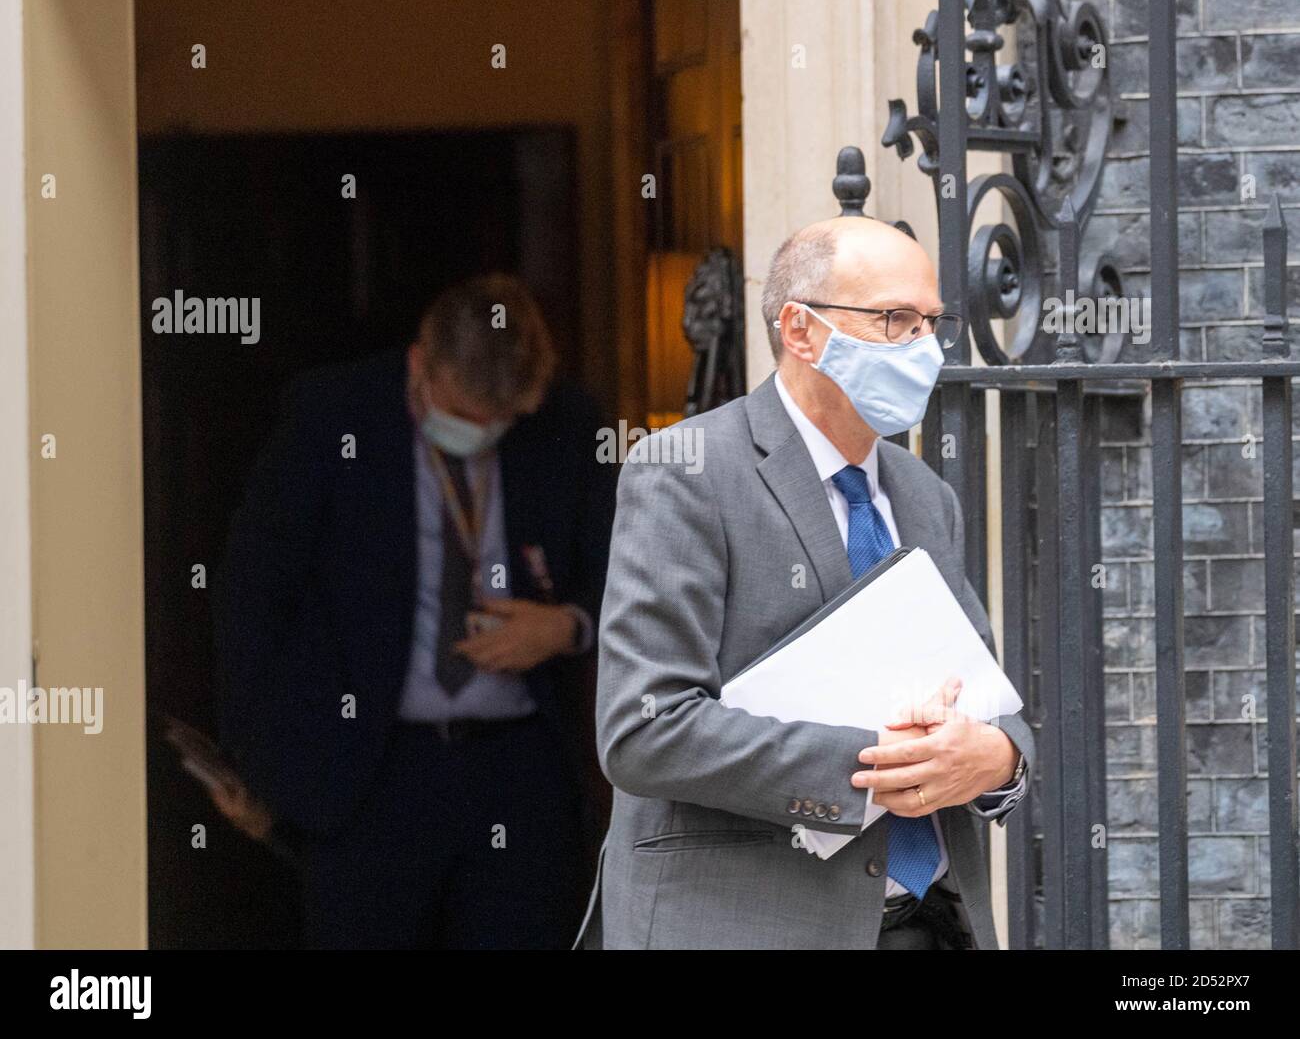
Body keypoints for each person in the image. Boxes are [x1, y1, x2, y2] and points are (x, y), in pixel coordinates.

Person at [578, 216, 1033, 950]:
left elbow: (987, 699)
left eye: (931, 322)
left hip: (937, 923)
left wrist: (998, 759)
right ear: (800, 330)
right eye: (893, 319)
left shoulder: (924, 495)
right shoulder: (686, 471)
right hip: (749, 925)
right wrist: (876, 767)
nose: (923, 346)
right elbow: (644, 730)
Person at [215, 272, 616, 948]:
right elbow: (254, 596)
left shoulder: (568, 425)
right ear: (419, 365)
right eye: (465, 416)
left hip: (517, 770)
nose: (483, 434)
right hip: (369, 770)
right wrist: (254, 763)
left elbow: (624, 575)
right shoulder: (330, 415)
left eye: (502, 422)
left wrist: (566, 627)